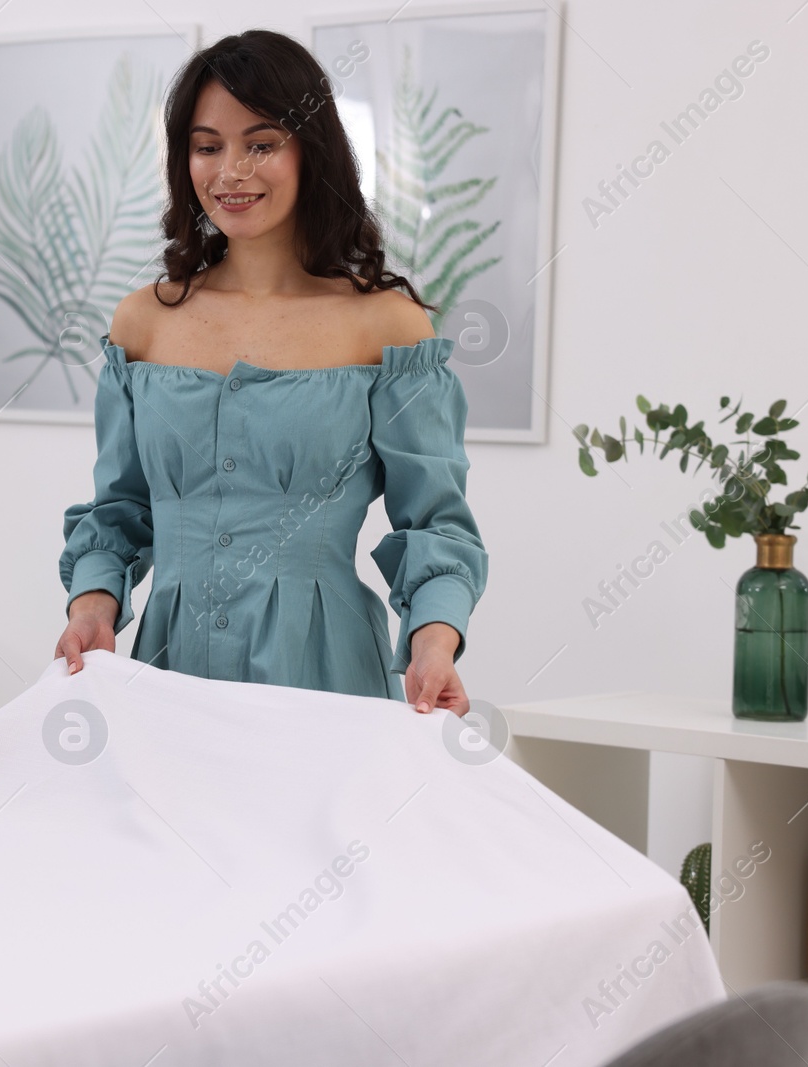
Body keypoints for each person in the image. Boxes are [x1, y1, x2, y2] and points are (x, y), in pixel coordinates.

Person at [53, 29, 488, 715]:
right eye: (207, 146)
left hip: (322, 667)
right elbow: (120, 510)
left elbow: (436, 523)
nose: (231, 171)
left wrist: (434, 643)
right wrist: (93, 604)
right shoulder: (143, 323)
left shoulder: (387, 326)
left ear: (310, 151)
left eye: (261, 143)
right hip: (170, 669)